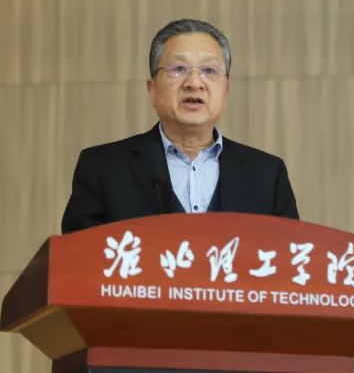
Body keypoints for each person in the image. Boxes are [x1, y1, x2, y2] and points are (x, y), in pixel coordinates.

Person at [61, 19, 299, 234]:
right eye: (178, 69)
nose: (194, 83)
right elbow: (77, 260)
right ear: (152, 90)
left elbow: (290, 259)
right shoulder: (102, 168)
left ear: (226, 92)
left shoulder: (268, 174)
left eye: (209, 70)